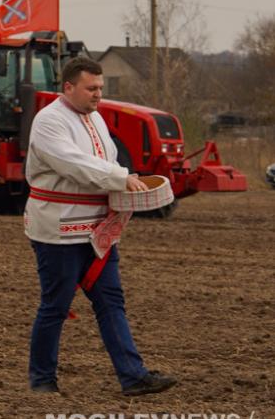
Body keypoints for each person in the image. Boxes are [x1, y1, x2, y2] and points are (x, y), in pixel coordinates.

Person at [24, 56, 177, 396]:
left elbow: (106, 161)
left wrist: (124, 180)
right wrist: (122, 177)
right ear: (68, 87)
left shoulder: (96, 119)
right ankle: (42, 380)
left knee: (111, 301)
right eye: (91, 88)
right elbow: (72, 163)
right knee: (56, 305)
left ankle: (133, 376)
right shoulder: (48, 121)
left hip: (96, 230)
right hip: (57, 229)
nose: (97, 94)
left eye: (100, 88)